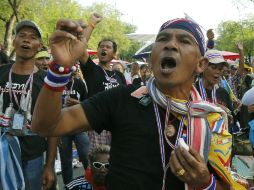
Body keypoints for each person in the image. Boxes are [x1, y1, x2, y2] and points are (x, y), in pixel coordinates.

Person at [32, 18, 247, 189]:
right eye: (162, 39)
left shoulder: (214, 120)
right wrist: (59, 69)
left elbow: (225, 185)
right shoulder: (121, 98)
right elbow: (46, 126)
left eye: (184, 41)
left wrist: (204, 183)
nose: (170, 44)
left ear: (200, 64)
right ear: (152, 58)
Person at [0, 20, 57, 190]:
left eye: (32, 38)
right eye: (22, 35)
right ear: (15, 40)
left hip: (33, 157)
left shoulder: (47, 82)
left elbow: (54, 126)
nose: (26, 40)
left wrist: (49, 166)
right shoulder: (1, 73)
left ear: (39, 45)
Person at [59, 68, 90, 185]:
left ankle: (91, 183)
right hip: (62, 126)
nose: (71, 74)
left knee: (85, 155)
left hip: (78, 125)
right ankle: (68, 185)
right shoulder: (57, 83)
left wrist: (77, 103)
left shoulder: (79, 84)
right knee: (65, 160)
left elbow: (88, 103)